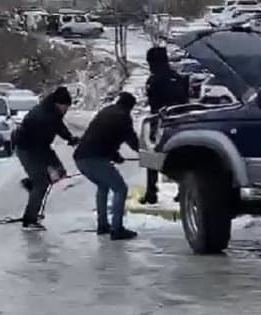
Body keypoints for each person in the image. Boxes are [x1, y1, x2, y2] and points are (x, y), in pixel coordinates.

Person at [73, 92, 139, 241]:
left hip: (81, 157)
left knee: (103, 186)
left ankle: (103, 225)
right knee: (120, 188)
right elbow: (132, 139)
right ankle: (117, 229)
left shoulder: (107, 111)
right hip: (94, 158)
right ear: (130, 107)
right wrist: (144, 152)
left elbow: (103, 136)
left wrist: (115, 156)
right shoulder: (123, 117)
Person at [14, 87, 79, 231]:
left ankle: (31, 184)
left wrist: (69, 138)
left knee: (60, 171)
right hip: (27, 148)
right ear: (58, 104)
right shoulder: (43, 116)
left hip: (40, 146)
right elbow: (39, 149)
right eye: (65, 107)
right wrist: (49, 166)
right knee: (42, 183)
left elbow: (59, 126)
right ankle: (29, 220)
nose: (66, 110)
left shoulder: (52, 112)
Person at [139, 46, 189, 205]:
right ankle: (183, 191)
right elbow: (185, 100)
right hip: (179, 121)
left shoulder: (153, 80)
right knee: (180, 157)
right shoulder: (178, 78)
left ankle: (151, 192)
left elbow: (153, 101)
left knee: (152, 156)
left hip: (160, 121)